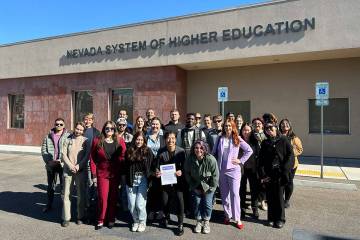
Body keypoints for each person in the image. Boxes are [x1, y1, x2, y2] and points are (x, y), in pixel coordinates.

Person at [212, 120, 253, 230]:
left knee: (235, 194)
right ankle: (227, 215)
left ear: (233, 127)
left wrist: (241, 160)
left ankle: (237, 218)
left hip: (234, 171)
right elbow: (213, 152)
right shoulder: (220, 138)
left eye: (230, 126)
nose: (227, 127)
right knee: (225, 195)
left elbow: (249, 150)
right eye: (226, 125)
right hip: (222, 171)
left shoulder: (237, 138)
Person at [90, 121, 126, 230]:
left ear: (114, 130)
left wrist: (120, 167)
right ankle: (101, 219)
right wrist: (94, 175)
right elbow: (92, 158)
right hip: (102, 174)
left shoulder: (119, 140)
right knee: (102, 198)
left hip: (115, 174)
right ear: (103, 129)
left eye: (111, 128)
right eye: (107, 128)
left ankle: (111, 219)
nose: (109, 130)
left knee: (113, 197)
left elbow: (123, 155)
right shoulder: (97, 141)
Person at [258, 122, 294, 229]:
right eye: (266, 128)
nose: (269, 130)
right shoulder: (265, 143)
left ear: (276, 128)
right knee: (270, 197)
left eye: (271, 127)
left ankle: (280, 219)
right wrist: (263, 175)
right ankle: (271, 218)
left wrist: (284, 170)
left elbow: (290, 155)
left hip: (280, 174)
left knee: (278, 197)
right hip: (268, 174)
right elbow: (261, 160)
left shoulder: (284, 140)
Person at [153, 131, 186, 236]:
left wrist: (181, 171)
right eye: (168, 138)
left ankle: (180, 223)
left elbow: (186, 167)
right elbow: (157, 167)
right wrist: (157, 172)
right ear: (165, 140)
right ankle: (166, 217)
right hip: (165, 181)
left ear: (176, 139)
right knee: (164, 200)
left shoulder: (181, 151)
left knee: (180, 201)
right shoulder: (161, 152)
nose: (170, 140)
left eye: (172, 138)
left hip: (178, 182)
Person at [184, 140, 219, 234]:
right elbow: (186, 173)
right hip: (195, 186)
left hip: (208, 187)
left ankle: (206, 221)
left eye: (201, 148)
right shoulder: (189, 159)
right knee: (197, 204)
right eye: (196, 148)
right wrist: (192, 186)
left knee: (207, 204)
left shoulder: (211, 159)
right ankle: (199, 221)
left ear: (205, 149)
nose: (198, 150)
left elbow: (215, 177)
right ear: (193, 149)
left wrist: (210, 190)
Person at [124, 131, 154, 232]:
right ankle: (135, 221)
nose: (139, 141)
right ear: (134, 140)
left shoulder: (148, 151)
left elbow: (151, 167)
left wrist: (153, 176)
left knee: (140, 204)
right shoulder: (129, 151)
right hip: (131, 179)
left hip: (143, 180)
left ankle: (142, 221)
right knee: (131, 204)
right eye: (137, 139)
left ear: (144, 141)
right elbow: (125, 167)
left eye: (141, 140)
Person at [61, 122, 89, 227]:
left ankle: (80, 216)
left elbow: (87, 155)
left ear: (83, 131)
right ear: (75, 128)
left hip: (80, 171)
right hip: (68, 170)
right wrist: (70, 166)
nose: (78, 131)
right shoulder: (67, 139)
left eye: (81, 130)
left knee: (81, 195)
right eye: (77, 129)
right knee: (66, 194)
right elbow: (63, 154)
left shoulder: (85, 141)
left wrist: (78, 166)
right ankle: (66, 218)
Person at [41, 117, 71, 213]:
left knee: (63, 186)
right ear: (54, 125)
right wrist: (48, 161)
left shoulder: (68, 136)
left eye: (61, 124)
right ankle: (49, 205)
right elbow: (43, 149)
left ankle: (64, 207)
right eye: (57, 124)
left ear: (64, 125)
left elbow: (70, 151)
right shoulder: (48, 136)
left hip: (62, 164)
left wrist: (63, 161)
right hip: (51, 164)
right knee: (51, 186)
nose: (58, 126)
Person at [279, 118, 303, 208]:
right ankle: (280, 198)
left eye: (286, 124)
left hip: (291, 164)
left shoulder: (294, 138)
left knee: (289, 181)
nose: (284, 125)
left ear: (289, 125)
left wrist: (291, 154)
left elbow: (300, 149)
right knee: (281, 181)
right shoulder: (278, 135)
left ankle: (287, 200)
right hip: (280, 164)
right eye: (282, 124)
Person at [146, 117, 166, 220]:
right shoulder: (146, 136)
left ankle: (161, 210)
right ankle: (152, 210)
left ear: (160, 125)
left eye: (157, 124)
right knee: (151, 189)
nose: (155, 126)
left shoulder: (164, 136)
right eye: (153, 124)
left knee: (161, 189)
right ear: (150, 125)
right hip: (150, 166)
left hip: (162, 166)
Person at [239, 123, 260, 219]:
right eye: (244, 130)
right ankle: (242, 208)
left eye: (248, 130)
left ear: (251, 131)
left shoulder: (255, 141)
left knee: (254, 189)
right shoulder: (238, 140)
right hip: (241, 169)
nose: (246, 132)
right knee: (241, 189)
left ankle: (255, 207)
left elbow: (259, 155)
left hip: (252, 168)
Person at [83, 113, 101, 223]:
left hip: (92, 162)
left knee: (92, 186)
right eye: (86, 119)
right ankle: (85, 210)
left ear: (92, 121)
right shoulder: (80, 130)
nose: (87, 121)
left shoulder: (96, 132)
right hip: (82, 162)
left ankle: (92, 211)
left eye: (89, 119)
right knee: (85, 186)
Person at [252, 117, 267, 211]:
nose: (257, 125)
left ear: (262, 124)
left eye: (259, 123)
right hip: (254, 162)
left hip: (264, 162)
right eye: (255, 123)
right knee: (255, 183)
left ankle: (263, 201)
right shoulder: (251, 134)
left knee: (264, 183)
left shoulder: (266, 134)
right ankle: (256, 201)